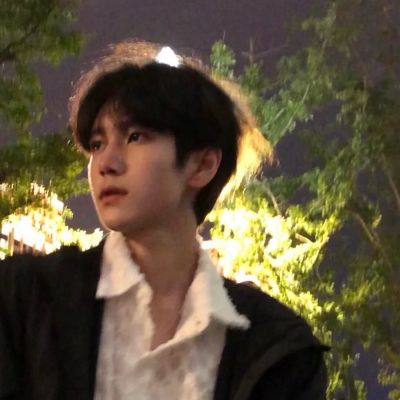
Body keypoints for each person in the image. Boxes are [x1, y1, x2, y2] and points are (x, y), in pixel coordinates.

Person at [0, 40, 328, 400]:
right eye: (96, 144)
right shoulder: (27, 299)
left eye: (135, 137)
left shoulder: (277, 347)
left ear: (203, 165)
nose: (105, 163)